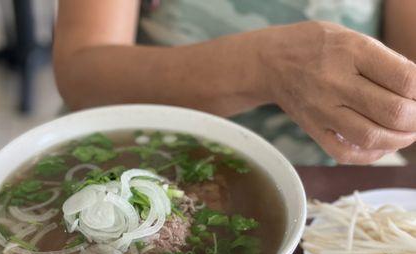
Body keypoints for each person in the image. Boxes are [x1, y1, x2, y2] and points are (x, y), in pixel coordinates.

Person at [52, 0, 416, 165]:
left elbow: (405, 75)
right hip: (137, 159)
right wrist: (265, 65)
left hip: (321, 187)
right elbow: (81, 72)